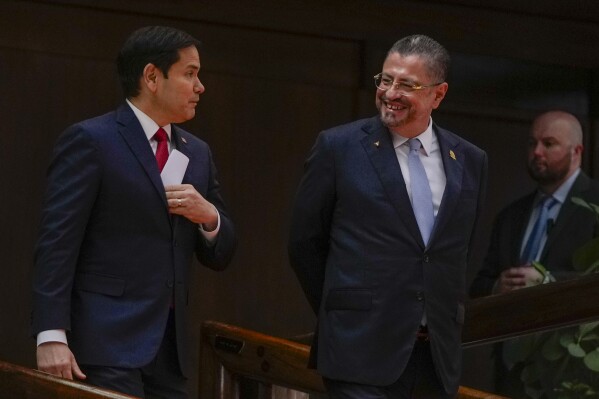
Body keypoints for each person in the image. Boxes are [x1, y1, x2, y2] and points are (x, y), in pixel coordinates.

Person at [31, 26, 236, 398]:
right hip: (104, 341)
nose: (200, 86)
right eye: (190, 73)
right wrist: (50, 334)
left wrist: (209, 217)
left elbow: (221, 253)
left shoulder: (198, 153)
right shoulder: (92, 140)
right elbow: (57, 243)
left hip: (171, 348)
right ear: (152, 77)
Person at [288, 34, 487, 399]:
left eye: (407, 84)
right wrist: (345, 310)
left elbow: (457, 251)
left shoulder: (470, 159)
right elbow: (304, 244)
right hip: (358, 350)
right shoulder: (339, 148)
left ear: (438, 94)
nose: (390, 92)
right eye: (386, 79)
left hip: (434, 357)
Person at [470, 110, 599, 397]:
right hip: (512, 369)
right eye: (532, 143)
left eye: (549, 144)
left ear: (576, 151)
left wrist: (548, 281)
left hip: (575, 371)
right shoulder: (511, 216)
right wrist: (497, 286)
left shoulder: (595, 206)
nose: (536, 152)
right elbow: (478, 285)